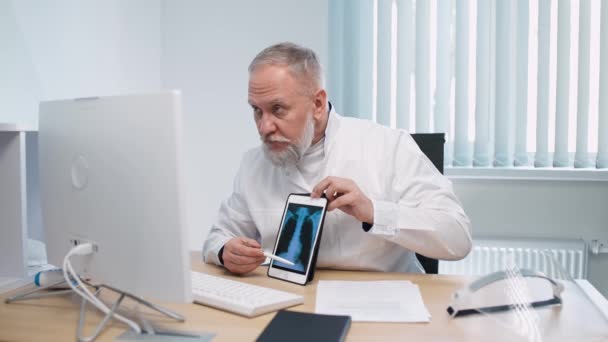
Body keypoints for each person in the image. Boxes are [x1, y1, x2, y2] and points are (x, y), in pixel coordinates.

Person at [203, 42, 472, 275]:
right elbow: (217, 237)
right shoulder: (254, 165)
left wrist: (374, 212)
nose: (264, 127)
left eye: (277, 109)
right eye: (257, 111)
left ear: (318, 105)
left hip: (385, 306)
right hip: (292, 302)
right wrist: (226, 250)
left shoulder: (388, 146)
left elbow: (457, 236)